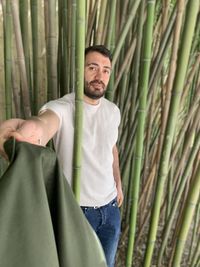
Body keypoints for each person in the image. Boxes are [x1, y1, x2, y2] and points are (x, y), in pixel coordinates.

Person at [0, 45, 123, 267]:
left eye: (106, 70)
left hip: (111, 211)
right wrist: (25, 133)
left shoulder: (113, 111)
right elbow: (42, 126)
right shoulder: (63, 107)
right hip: (76, 213)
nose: (99, 76)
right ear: (80, 70)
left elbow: (112, 149)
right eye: (92, 67)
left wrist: (118, 183)